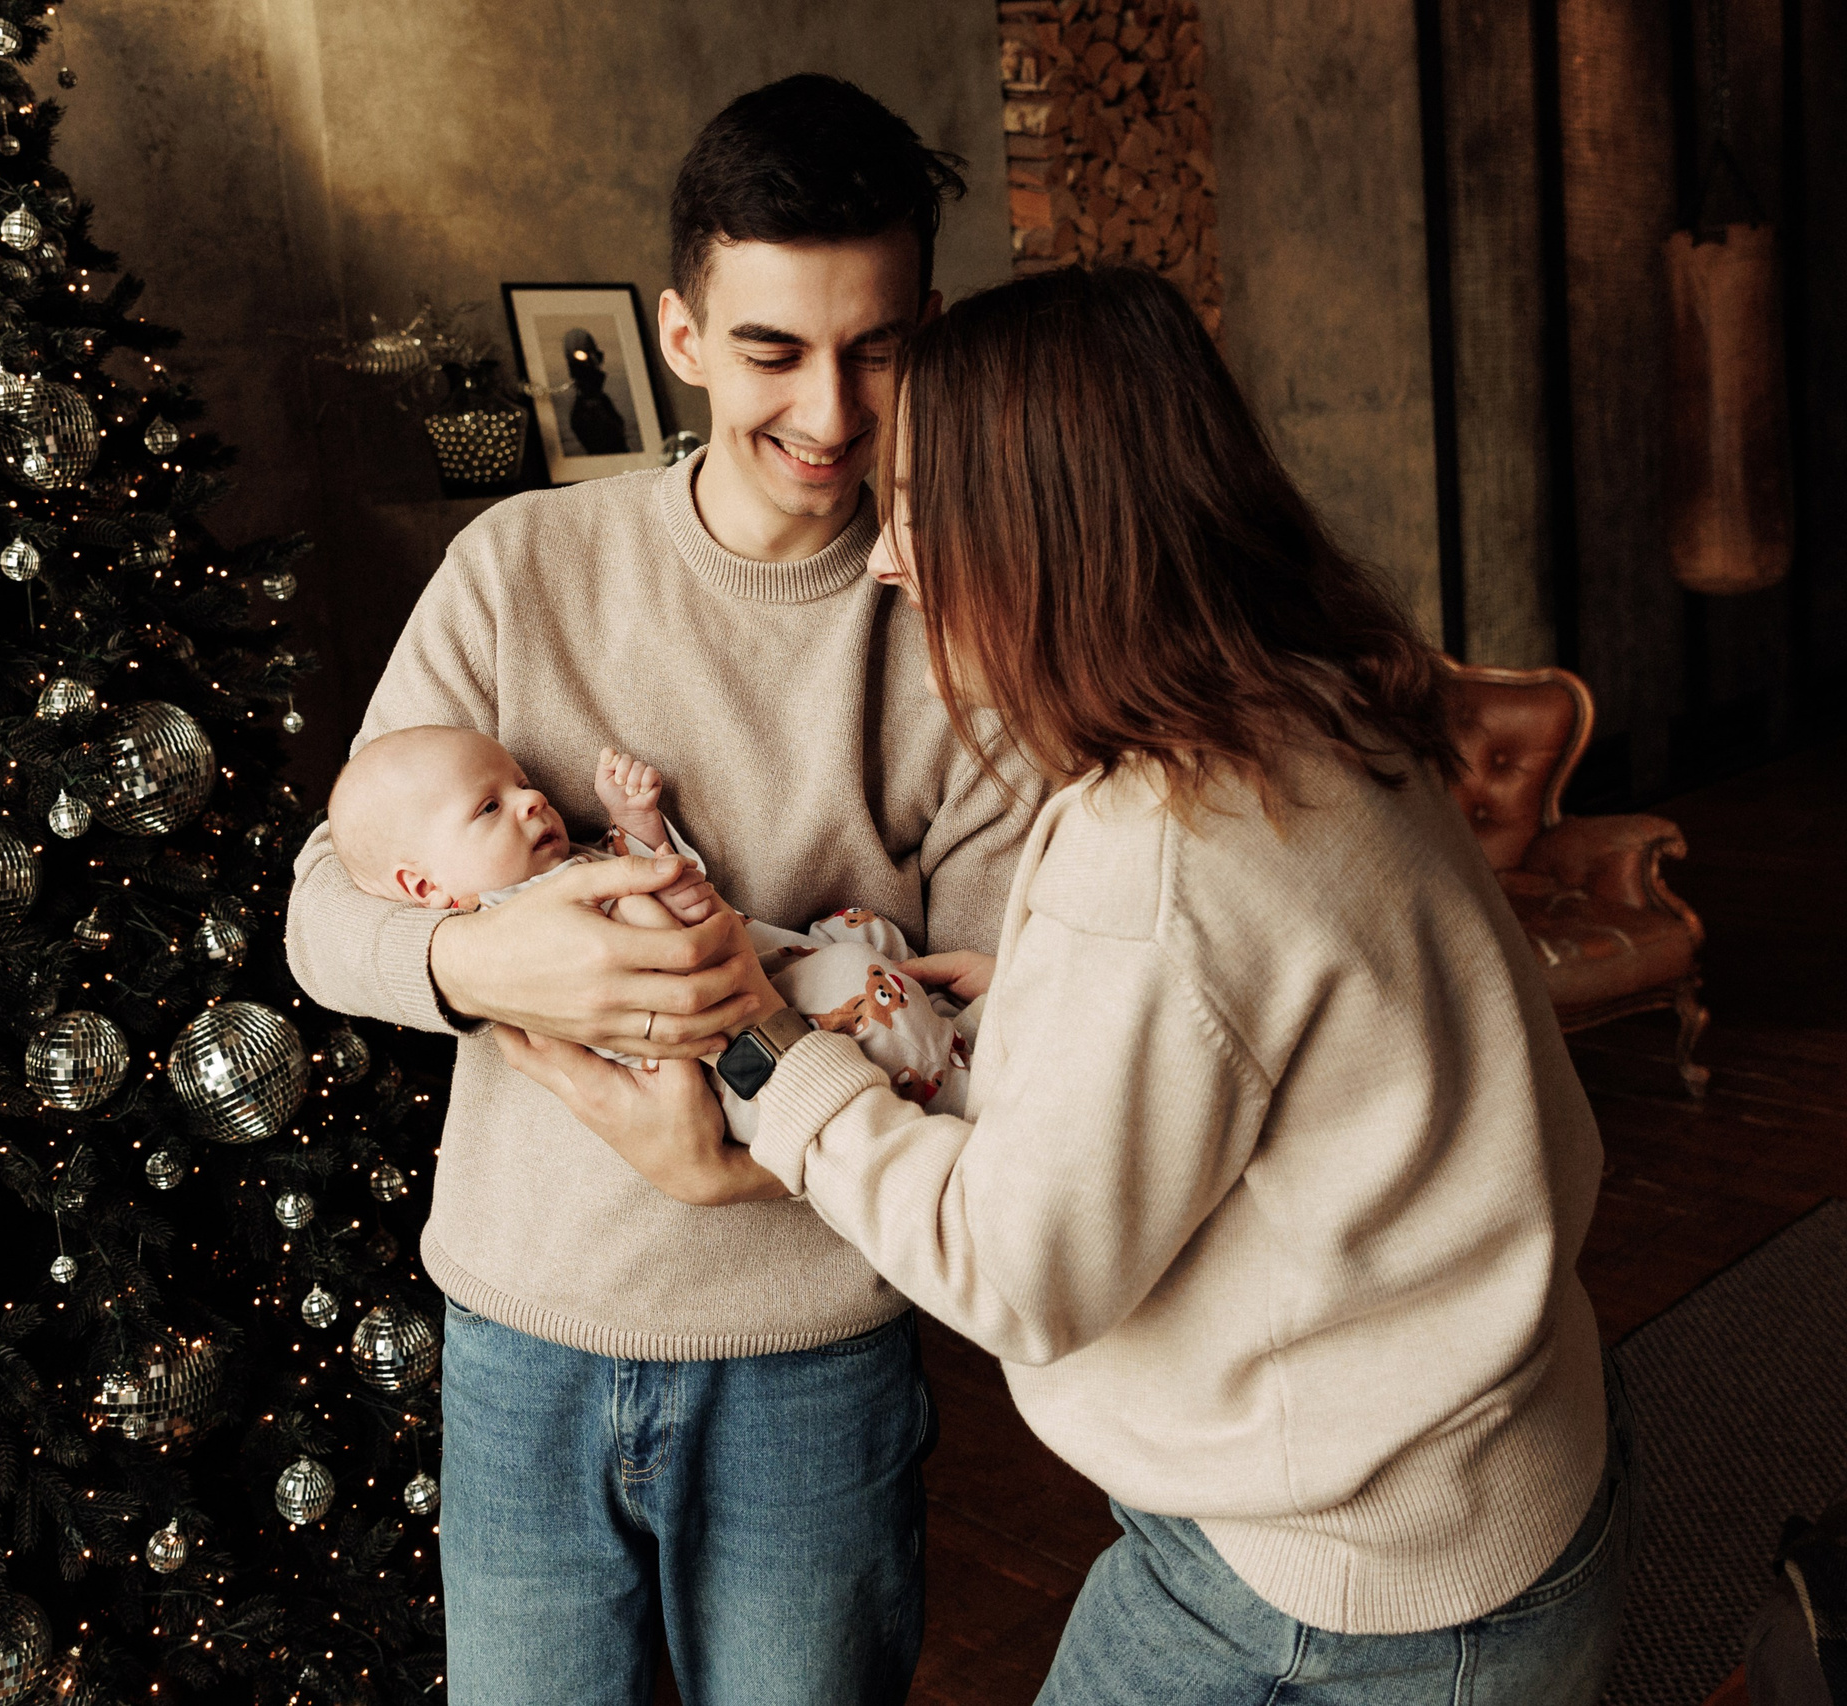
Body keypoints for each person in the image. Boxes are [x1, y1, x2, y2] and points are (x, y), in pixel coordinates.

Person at [502, 266, 1632, 1705]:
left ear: (1041, 530)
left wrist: (768, 1057)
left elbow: (1021, 1270)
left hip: (1338, 1591)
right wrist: (1046, 991)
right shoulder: (1319, 705)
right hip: (1514, 1472)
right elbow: (1284, 1023)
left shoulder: (1162, 850)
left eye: (920, 504)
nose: (889, 558)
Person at [286, 73, 1038, 1706]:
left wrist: (739, 1163)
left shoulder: (970, 625)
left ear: (933, 323)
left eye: (878, 345)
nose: (830, 412)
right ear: (683, 335)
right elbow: (324, 911)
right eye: (772, 351)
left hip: (811, 1356)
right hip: (519, 1341)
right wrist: (485, 963)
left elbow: (1008, 1035)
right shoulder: (517, 567)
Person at [326, 725, 975, 1119]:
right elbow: (626, 1018)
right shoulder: (510, 924)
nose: (532, 799)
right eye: (489, 806)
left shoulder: (567, 862)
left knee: (863, 930)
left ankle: (941, 1019)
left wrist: (638, 826)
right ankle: (950, 1078)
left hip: (769, 954)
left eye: (523, 782)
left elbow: (655, 874)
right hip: (746, 1041)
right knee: (854, 985)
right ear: (425, 886)